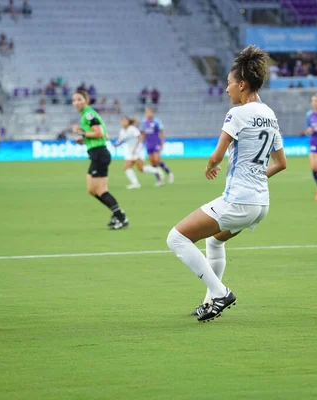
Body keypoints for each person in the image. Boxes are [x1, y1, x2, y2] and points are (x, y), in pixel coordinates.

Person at [166, 45, 287, 322]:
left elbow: (216, 155)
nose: (226, 90)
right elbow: (281, 163)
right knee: (215, 242)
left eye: (229, 84)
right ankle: (211, 303)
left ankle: (220, 292)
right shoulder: (270, 114)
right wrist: (256, 175)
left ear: (242, 84)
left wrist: (211, 166)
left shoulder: (237, 114)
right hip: (260, 204)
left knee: (176, 238)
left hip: (239, 200)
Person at [70, 90, 128, 230]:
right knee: (91, 190)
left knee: (101, 190)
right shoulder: (87, 114)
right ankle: (117, 212)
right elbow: (105, 136)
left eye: (79, 99)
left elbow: (100, 133)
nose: (76, 102)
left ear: (86, 100)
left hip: (99, 155)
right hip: (97, 154)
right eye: (74, 100)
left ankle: (120, 217)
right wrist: (84, 140)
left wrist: (82, 132)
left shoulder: (88, 114)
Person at [116, 115, 162, 189]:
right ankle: (135, 183)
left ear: (128, 122)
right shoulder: (122, 131)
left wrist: (135, 148)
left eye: (125, 121)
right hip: (129, 151)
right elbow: (120, 141)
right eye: (122, 121)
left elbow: (140, 138)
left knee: (141, 168)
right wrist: (116, 144)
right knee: (127, 167)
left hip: (137, 150)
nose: (123, 122)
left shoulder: (133, 129)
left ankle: (156, 170)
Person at [138, 107, 174, 184]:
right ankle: (160, 179)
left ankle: (169, 174)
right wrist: (141, 142)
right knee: (152, 162)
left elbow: (162, 132)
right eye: (146, 112)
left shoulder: (156, 121)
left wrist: (162, 143)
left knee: (157, 159)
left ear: (152, 113)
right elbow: (144, 134)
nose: (147, 114)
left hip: (156, 143)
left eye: (149, 112)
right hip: (148, 144)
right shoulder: (143, 122)